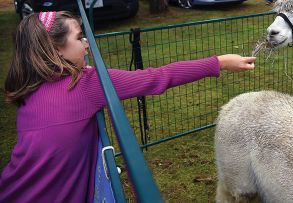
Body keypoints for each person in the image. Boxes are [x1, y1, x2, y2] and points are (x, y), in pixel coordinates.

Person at [0, 11, 256, 202]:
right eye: (80, 38)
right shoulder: (86, 84)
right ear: (55, 50)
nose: (87, 44)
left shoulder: (30, 89)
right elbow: (157, 77)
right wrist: (219, 62)